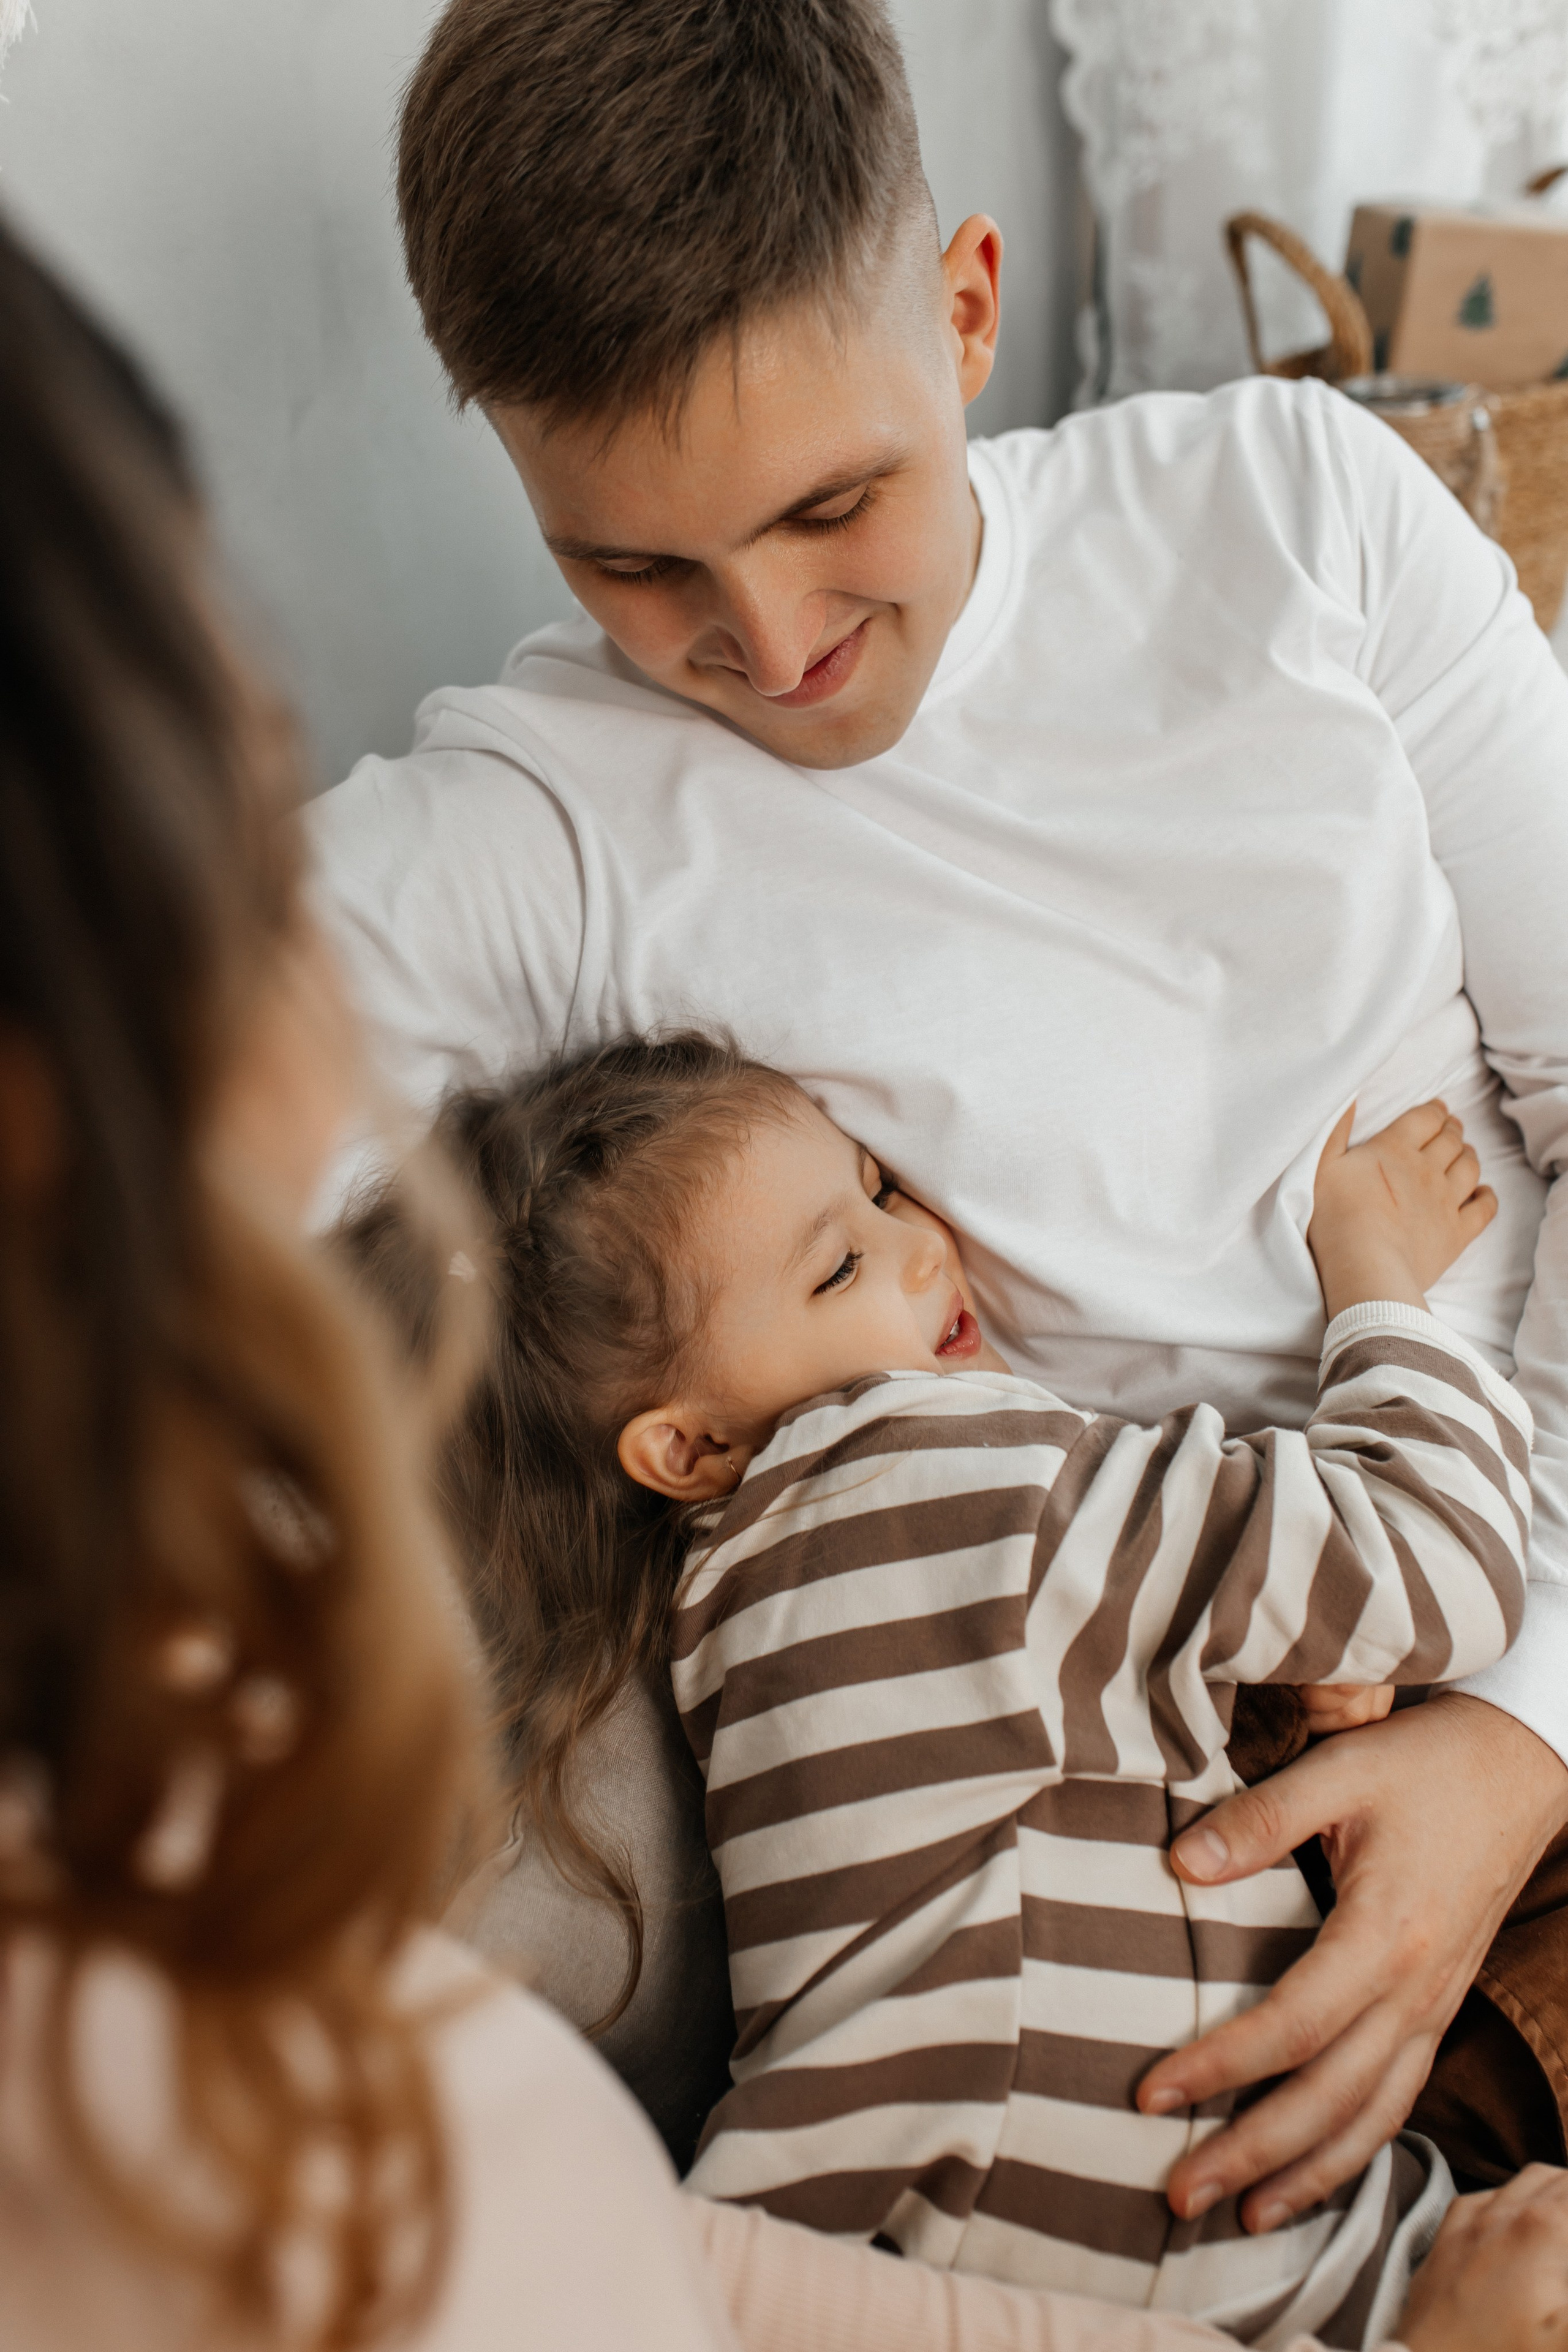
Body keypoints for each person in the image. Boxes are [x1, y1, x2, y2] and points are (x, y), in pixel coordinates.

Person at [18, 197, 1553, 2352]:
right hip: (1282, 1808)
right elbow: (162, 1080)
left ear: (967, 305)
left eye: (835, 504)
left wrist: (1525, 1731)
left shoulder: (1296, 508)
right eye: (633, 563)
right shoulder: (543, 825)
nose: (768, 640)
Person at [359, 1033, 1520, 2342]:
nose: (921, 1246)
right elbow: (1438, 1559)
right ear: (688, 1443)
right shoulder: (941, 1472)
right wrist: (1375, 1271)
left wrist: (1286, 1679)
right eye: (837, 1265)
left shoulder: (732, 1606)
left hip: (904, 2241)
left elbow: (1048, 1790)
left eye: (878, 1186)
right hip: (1198, 2251)